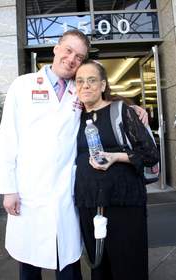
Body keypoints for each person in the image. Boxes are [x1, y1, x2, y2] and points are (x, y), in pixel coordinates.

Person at [0, 29, 148, 280]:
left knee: (68, 261)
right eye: (68, 50)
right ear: (56, 48)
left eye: (79, 56)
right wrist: (8, 189)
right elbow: (8, 138)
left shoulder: (79, 88)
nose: (71, 59)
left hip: (67, 192)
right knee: (30, 263)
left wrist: (132, 106)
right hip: (30, 190)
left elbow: (104, 99)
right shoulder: (23, 85)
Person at [74, 60, 159, 280]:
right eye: (80, 81)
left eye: (92, 80)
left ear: (103, 85)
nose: (86, 85)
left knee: (128, 263)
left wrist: (115, 157)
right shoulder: (73, 118)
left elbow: (150, 154)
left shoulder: (121, 111)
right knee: (99, 266)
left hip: (124, 203)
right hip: (88, 203)